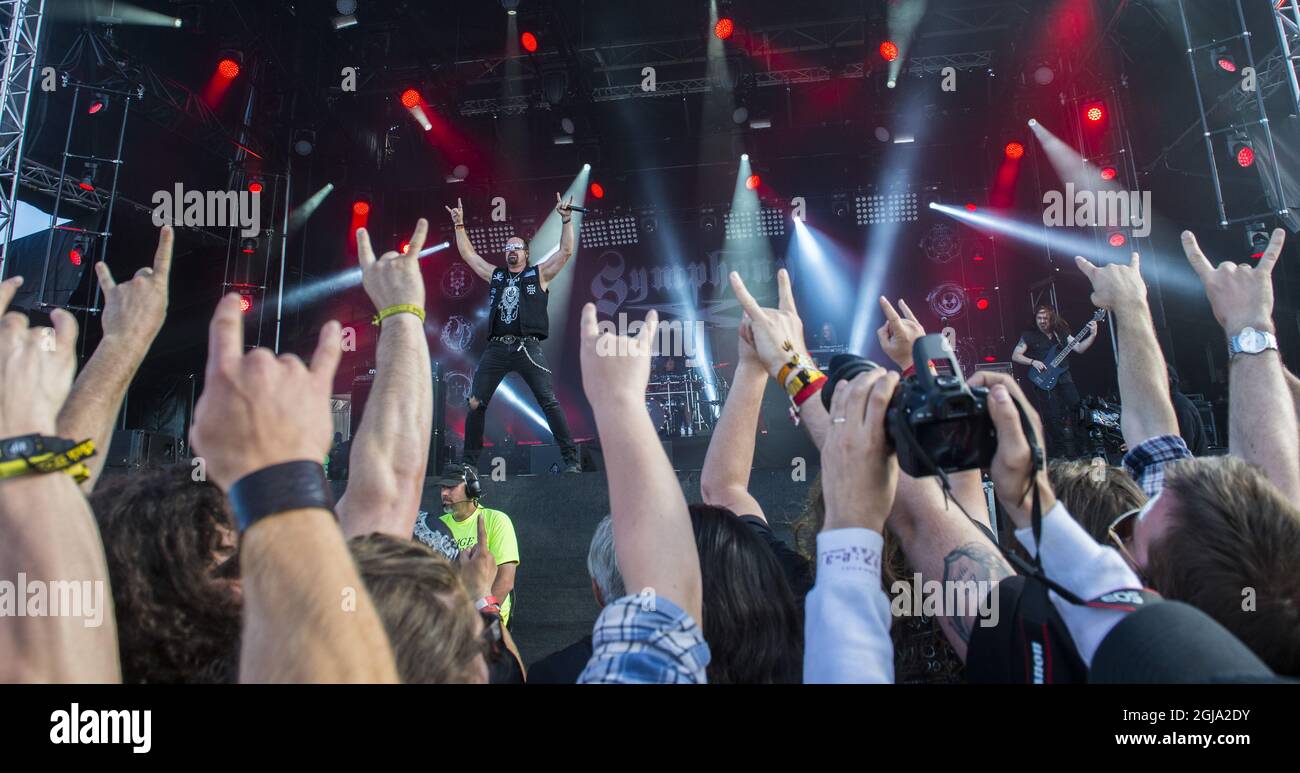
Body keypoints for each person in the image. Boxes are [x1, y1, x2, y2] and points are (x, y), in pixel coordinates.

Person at [445, 195, 581, 473]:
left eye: (517, 247)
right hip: (497, 348)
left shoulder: (538, 274)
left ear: (526, 253)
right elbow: (469, 256)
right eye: (508, 247)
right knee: (475, 403)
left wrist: (566, 219)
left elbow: (565, 252)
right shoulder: (496, 276)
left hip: (527, 347)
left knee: (548, 401)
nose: (511, 251)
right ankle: (469, 464)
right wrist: (459, 226)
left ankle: (571, 460)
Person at [434, 464, 520, 627]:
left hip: (487, 618)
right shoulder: (438, 525)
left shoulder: (496, 520)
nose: (444, 493)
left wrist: (481, 618)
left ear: (472, 488)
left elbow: (506, 580)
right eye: (442, 487)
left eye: (451, 487)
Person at [1012, 305, 1100, 458]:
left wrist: (1092, 335)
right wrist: (1033, 362)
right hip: (1043, 379)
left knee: (1078, 410)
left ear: (1052, 318)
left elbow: (1079, 348)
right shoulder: (1029, 335)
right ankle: (1060, 454)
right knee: (1053, 416)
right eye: (1039, 318)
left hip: (1064, 377)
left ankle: (1083, 449)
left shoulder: (1061, 333)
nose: (1042, 321)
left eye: (1045, 318)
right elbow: (1016, 355)